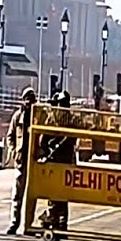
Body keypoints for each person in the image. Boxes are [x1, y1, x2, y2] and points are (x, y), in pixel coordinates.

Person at [38, 91, 76, 232]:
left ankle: (61, 223)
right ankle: (53, 219)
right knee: (54, 195)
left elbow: (73, 139)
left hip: (65, 163)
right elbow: (43, 141)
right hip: (53, 162)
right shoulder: (51, 120)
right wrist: (48, 150)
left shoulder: (71, 121)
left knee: (63, 195)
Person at [6, 87, 37, 235]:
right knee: (17, 195)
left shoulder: (38, 117)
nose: (29, 101)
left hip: (34, 161)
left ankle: (28, 226)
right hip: (21, 160)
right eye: (26, 98)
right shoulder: (17, 117)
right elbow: (10, 136)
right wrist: (13, 151)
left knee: (31, 196)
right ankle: (14, 223)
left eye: (31, 98)